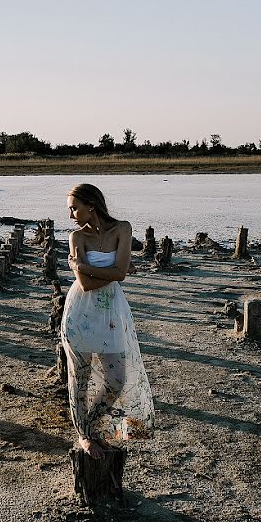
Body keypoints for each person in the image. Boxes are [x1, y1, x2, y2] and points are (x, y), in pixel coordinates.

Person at [61, 183, 155, 458]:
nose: (71, 215)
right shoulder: (76, 238)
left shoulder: (122, 229)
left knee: (116, 378)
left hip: (111, 313)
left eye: (74, 208)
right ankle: (85, 436)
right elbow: (86, 285)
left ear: (91, 205)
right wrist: (111, 270)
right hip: (81, 311)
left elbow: (121, 275)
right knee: (80, 379)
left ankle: (93, 425)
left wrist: (82, 266)